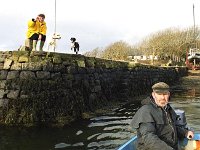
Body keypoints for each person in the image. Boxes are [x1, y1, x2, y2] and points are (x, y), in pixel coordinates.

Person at [130, 82, 194, 150]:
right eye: (159, 94)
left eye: (165, 94)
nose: (163, 97)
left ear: (169, 94)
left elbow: (172, 127)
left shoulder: (167, 109)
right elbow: (148, 137)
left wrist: (185, 132)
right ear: (153, 95)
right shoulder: (146, 111)